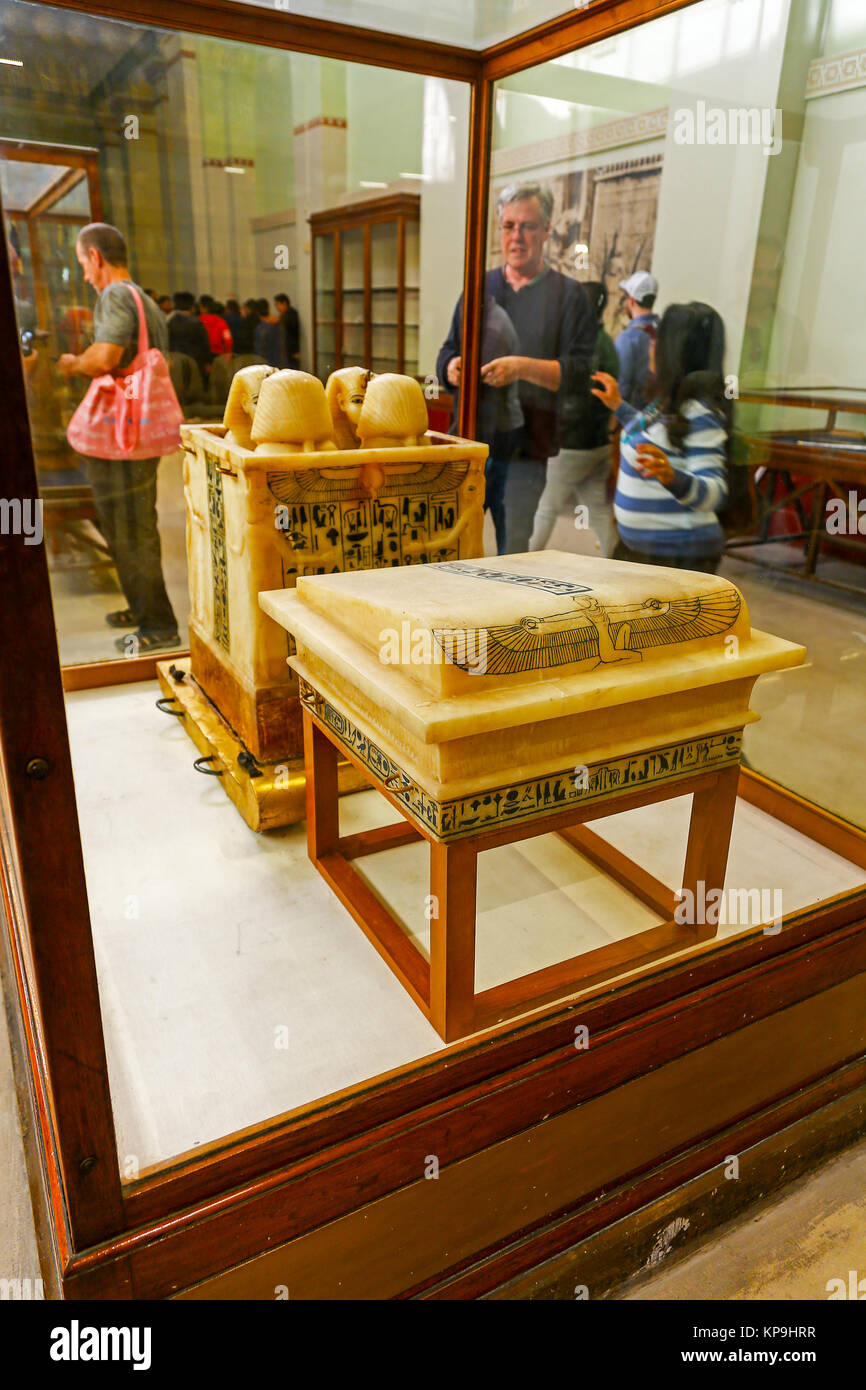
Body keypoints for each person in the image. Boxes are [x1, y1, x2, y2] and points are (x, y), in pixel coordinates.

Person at [443, 181, 596, 555]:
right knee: (453, 542)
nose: (517, 236)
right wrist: (452, 367)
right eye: (509, 226)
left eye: (528, 226)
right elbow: (448, 348)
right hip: (471, 441)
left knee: (513, 550)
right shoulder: (479, 288)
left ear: (546, 230)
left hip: (526, 451)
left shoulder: (569, 295)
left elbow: (578, 373)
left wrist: (522, 368)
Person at [57, 222, 180, 651]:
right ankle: (143, 608)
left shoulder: (114, 295)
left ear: (95, 257)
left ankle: (158, 626)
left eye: (83, 265)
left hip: (121, 437)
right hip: (141, 432)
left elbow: (106, 355)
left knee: (129, 530)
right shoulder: (144, 298)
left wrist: (73, 362)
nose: (85, 276)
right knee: (137, 525)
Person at [591, 301, 730, 573]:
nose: (650, 346)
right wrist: (618, 405)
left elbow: (715, 492)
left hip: (677, 558)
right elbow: (649, 432)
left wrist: (671, 477)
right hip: (643, 550)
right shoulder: (666, 401)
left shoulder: (699, 412)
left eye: (657, 340)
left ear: (676, 353)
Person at [529, 280, 618, 558]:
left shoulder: (580, 345)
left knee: (546, 506)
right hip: (598, 441)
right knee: (597, 508)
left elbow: (569, 393)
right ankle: (616, 560)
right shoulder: (607, 342)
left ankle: (519, 559)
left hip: (571, 442)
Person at [436, 295, 523, 553]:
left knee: (477, 525)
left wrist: (453, 441)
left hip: (495, 435)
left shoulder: (494, 327)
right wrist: (449, 366)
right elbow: (449, 347)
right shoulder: (468, 305)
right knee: (468, 525)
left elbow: (480, 394)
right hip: (480, 432)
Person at [615, 271, 660, 410]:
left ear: (631, 301)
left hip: (634, 419)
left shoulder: (628, 339)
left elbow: (621, 390)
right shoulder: (666, 331)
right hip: (660, 417)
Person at [168, 290, 212, 389]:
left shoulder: (170, 321)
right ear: (191, 306)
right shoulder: (196, 322)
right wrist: (208, 362)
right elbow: (204, 343)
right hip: (195, 360)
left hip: (175, 360)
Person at [254, 297, 284, 368]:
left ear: (256, 311)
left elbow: (260, 349)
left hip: (266, 364)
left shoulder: (261, 328)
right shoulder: (278, 323)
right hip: (280, 362)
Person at [274, 292, 300, 369]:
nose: (277, 307)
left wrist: (296, 351)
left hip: (291, 352)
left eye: (277, 304)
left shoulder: (292, 315)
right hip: (284, 352)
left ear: (284, 303)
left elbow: (295, 334)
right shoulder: (283, 315)